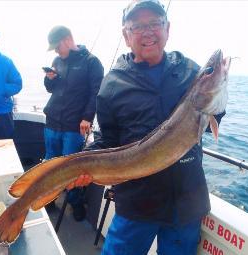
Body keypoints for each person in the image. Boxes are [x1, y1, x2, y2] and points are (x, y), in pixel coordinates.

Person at [77, 0, 226, 254]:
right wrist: (82, 165)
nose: (148, 32)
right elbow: (109, 140)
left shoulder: (190, 70)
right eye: (138, 26)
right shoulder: (112, 85)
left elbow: (210, 116)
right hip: (136, 203)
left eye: (155, 23)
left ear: (167, 28)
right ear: (126, 35)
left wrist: (217, 97)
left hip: (186, 202)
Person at [43, 25, 104, 221]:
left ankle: (75, 202)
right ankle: (49, 199)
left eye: (57, 46)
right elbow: (51, 89)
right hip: (52, 122)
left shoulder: (92, 62)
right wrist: (49, 79)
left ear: (68, 39)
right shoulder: (56, 61)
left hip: (73, 126)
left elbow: (96, 93)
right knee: (50, 164)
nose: (55, 51)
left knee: (72, 170)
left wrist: (87, 117)